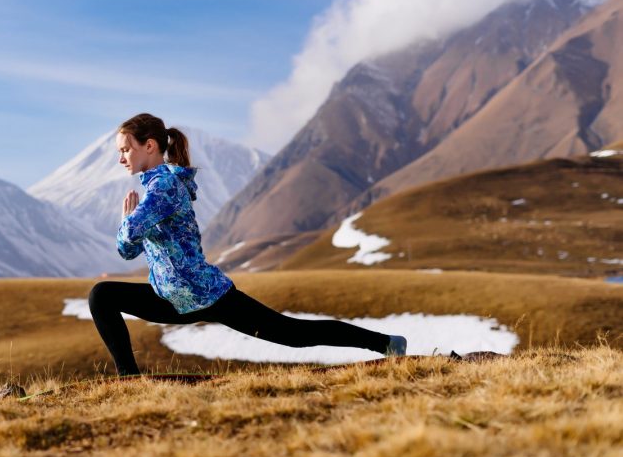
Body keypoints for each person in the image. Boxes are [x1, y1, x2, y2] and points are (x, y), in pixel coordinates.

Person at [88, 113, 407, 376]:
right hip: (171, 298)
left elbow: (129, 236)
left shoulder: (165, 186)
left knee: (295, 335)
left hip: (205, 295)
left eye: (125, 150)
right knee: (102, 296)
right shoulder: (153, 191)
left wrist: (126, 222)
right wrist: (127, 224)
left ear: (150, 145)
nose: (120, 159)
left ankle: (387, 344)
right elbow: (127, 250)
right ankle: (128, 377)